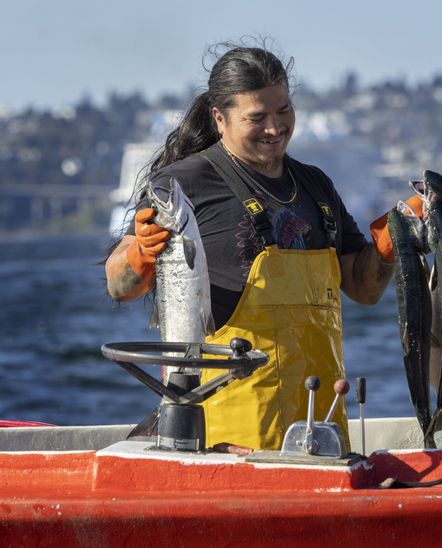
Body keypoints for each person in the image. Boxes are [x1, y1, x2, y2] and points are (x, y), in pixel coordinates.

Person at [105, 42, 421, 451]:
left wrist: (391, 239)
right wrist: (141, 255)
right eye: (257, 117)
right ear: (219, 118)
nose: (275, 128)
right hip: (226, 430)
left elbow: (364, 287)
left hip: (318, 426)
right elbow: (119, 285)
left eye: (284, 111)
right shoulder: (183, 184)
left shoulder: (315, 185)